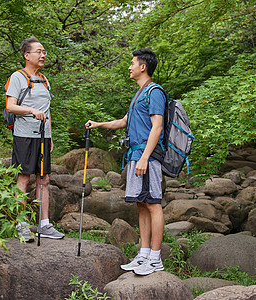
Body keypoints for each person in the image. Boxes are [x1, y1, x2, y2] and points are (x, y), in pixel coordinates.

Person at [86, 49, 166, 275]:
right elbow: (123, 122)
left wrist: (145, 157)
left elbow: (157, 127)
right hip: (135, 155)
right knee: (141, 204)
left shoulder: (154, 92)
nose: (129, 67)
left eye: (132, 63)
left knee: (153, 202)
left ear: (143, 67)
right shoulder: (139, 93)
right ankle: (143, 254)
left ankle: (156, 258)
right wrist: (99, 124)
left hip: (146, 156)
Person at [6, 36, 64, 242]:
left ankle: (44, 224)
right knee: (23, 178)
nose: (43, 55)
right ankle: (21, 225)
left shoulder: (45, 79)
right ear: (26, 55)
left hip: (43, 137)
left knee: (44, 179)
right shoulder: (18, 77)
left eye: (44, 52)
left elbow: (48, 110)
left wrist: (51, 135)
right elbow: (10, 106)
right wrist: (31, 110)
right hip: (24, 136)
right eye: (39, 51)